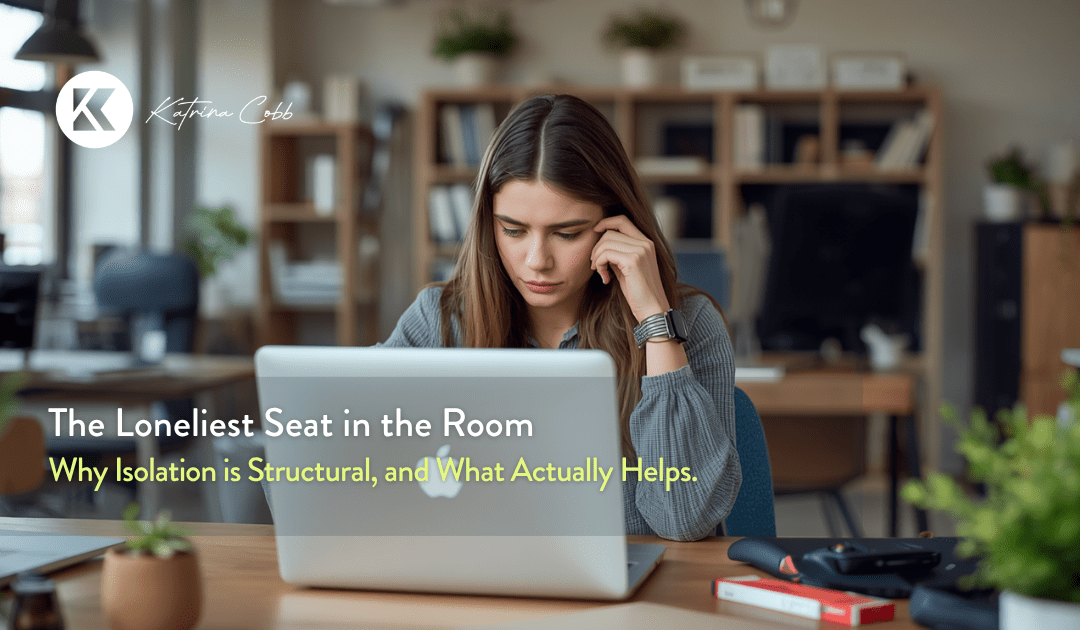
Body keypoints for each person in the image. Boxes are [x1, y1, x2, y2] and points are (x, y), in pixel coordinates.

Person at [382, 93, 740, 541]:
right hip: (479, 575)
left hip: (641, 582)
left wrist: (654, 320)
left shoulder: (690, 324)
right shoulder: (438, 322)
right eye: (513, 230)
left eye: (567, 233)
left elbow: (684, 518)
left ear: (616, 223)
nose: (537, 260)